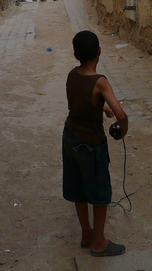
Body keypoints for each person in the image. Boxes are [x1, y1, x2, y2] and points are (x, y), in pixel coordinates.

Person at [62, 30, 128, 257]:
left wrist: (102, 107)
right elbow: (122, 115)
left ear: (75, 54)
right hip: (91, 144)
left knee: (78, 189)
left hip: (69, 137)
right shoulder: (100, 82)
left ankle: (87, 233)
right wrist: (122, 132)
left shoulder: (72, 74)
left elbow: (81, 100)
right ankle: (99, 242)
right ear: (99, 52)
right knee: (100, 193)